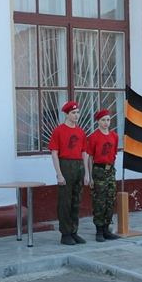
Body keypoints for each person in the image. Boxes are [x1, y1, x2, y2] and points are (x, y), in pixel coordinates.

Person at [48, 101, 90, 245]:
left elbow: (84, 152)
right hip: (65, 164)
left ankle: (74, 231)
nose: (76, 115)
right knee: (65, 201)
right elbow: (54, 153)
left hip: (78, 165)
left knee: (76, 201)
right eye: (73, 113)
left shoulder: (81, 132)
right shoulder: (59, 131)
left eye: (77, 112)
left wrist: (86, 173)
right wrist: (59, 173)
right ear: (66, 114)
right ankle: (65, 233)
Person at [88, 109, 121, 242]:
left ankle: (107, 228)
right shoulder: (94, 137)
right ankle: (99, 230)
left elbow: (113, 156)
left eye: (108, 120)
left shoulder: (114, 136)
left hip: (110, 171)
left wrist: (112, 171)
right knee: (99, 201)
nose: (106, 123)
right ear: (98, 122)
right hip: (98, 170)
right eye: (103, 120)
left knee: (110, 200)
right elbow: (90, 157)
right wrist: (90, 176)